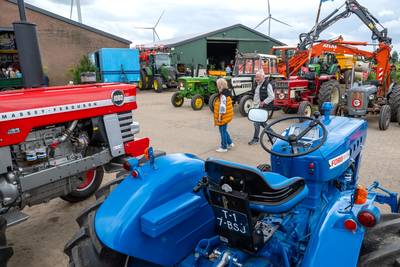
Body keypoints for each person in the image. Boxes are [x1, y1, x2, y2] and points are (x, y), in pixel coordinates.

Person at [248, 70, 275, 145]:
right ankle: (273, 135)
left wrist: (264, 102)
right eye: (256, 77)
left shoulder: (267, 84)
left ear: (263, 77)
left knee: (256, 123)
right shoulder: (257, 84)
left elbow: (272, 96)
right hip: (256, 105)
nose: (257, 78)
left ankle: (255, 139)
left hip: (263, 106)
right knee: (262, 123)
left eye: (258, 77)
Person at [213, 78, 234, 152]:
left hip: (223, 116)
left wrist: (219, 117)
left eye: (217, 84)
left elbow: (222, 107)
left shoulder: (223, 95)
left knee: (222, 131)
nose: (216, 86)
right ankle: (230, 142)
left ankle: (224, 147)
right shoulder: (227, 92)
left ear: (220, 85)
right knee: (224, 130)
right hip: (226, 116)